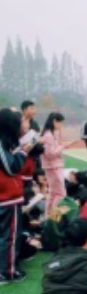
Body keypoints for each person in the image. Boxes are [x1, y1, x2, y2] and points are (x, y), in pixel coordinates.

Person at [0, 108, 33, 284]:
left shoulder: (5, 142)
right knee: (10, 236)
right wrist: (23, 152)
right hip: (7, 198)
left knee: (6, 236)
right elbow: (12, 167)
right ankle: (8, 272)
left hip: (6, 196)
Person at [40, 112, 76, 214]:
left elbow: (52, 149)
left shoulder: (49, 134)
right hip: (54, 167)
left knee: (53, 193)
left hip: (52, 166)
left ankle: (48, 216)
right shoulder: (49, 135)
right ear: (55, 121)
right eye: (60, 123)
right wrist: (63, 146)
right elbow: (50, 153)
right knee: (60, 193)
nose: (61, 125)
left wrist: (63, 145)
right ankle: (55, 217)